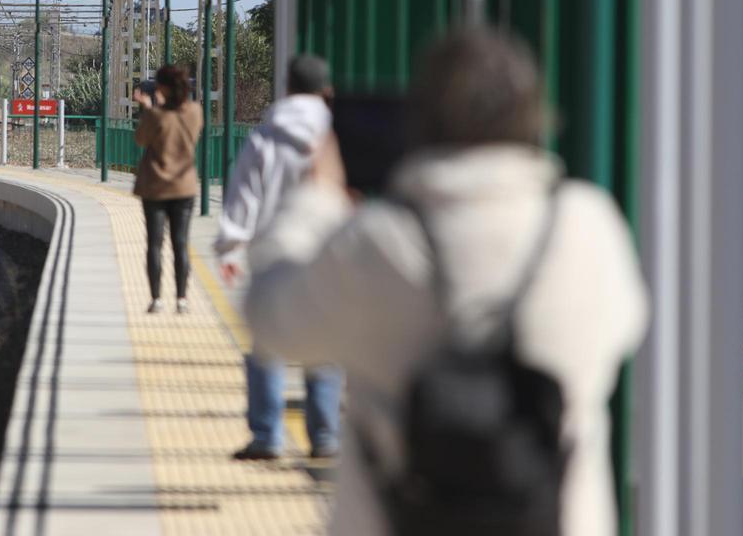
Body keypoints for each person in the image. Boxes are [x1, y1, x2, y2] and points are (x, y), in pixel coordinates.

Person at [244, 28, 649, 536]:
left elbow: (271, 321)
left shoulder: (378, 241)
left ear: (418, 120)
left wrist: (316, 199)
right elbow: (629, 325)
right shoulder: (585, 225)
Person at [215, 54, 341, 461]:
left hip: (272, 251)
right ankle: (325, 436)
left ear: (287, 88)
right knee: (325, 340)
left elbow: (244, 193)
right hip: (326, 250)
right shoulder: (335, 136)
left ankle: (267, 435)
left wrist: (230, 245)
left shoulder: (266, 136)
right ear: (326, 92)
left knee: (267, 339)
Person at [133, 64, 203, 314]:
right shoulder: (195, 112)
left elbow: (141, 139)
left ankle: (156, 299)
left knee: (154, 243)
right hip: (184, 186)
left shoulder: (155, 116)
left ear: (161, 87)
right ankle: (182, 300)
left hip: (155, 187)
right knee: (180, 243)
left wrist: (149, 107)